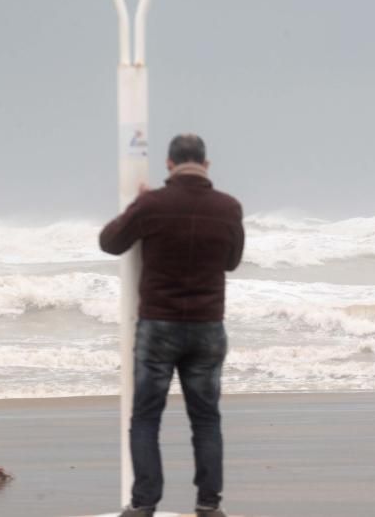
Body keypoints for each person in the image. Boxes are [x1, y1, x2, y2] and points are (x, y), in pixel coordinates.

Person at [100, 134, 245, 517]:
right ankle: (209, 504)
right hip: (207, 326)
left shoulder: (153, 204)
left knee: (147, 416)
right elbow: (232, 261)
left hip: (159, 325)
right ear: (206, 164)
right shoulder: (228, 208)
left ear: (168, 164)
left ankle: (145, 502)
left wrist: (137, 205)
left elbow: (110, 242)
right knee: (206, 418)